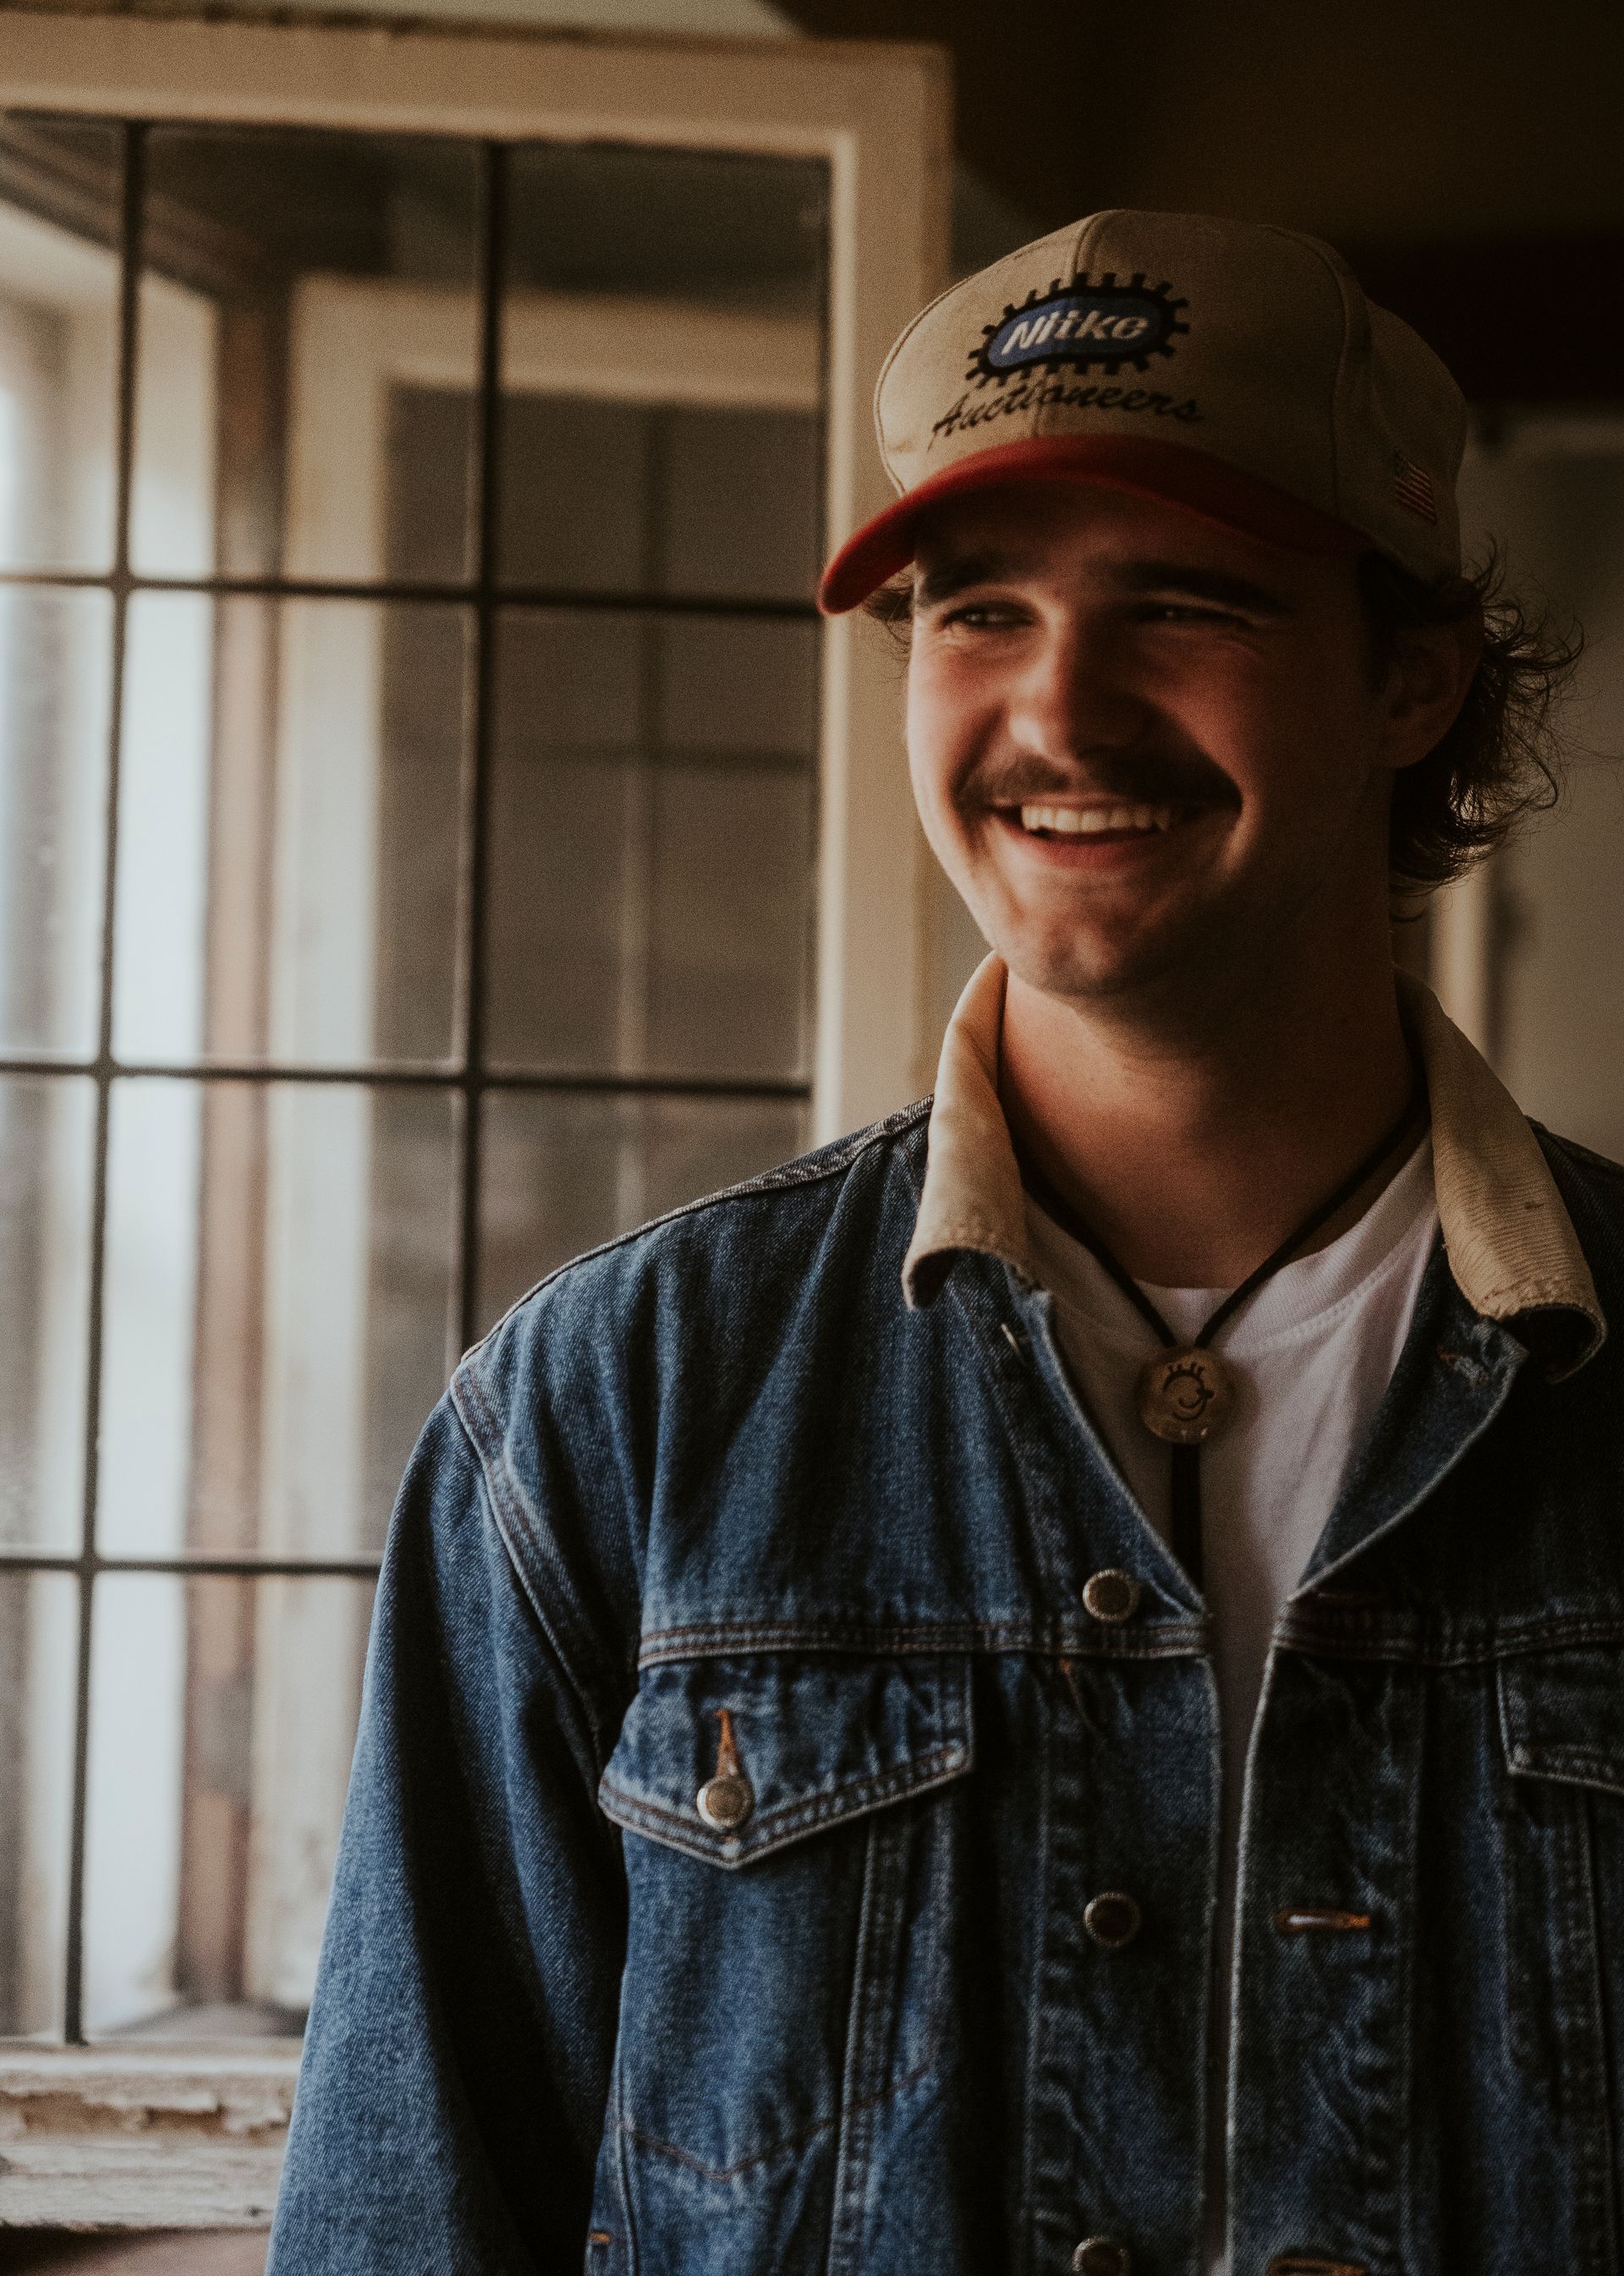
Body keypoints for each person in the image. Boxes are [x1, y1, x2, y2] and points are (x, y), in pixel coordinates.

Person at [267, 211, 1622, 2276]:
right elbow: (413, 2227)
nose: (1058, 712)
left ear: (1412, 681)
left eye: (1187, 603)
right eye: (976, 611)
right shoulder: (606, 1414)